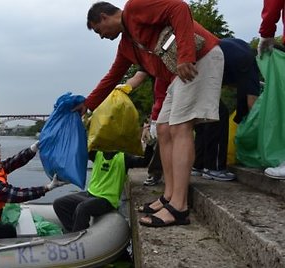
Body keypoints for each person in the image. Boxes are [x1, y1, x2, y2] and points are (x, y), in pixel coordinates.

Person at [75, 1, 224, 228]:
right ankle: (169, 196)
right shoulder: (127, 45)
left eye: (98, 30)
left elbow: (179, 8)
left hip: (199, 58)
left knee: (180, 127)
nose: (101, 36)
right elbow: (113, 77)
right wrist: (88, 104)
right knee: (163, 128)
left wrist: (185, 55)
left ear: (104, 17)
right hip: (178, 73)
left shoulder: (135, 8)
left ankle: (179, 208)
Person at [192, 38, 261, 181]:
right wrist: (258, 132)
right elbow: (252, 104)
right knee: (218, 114)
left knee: (203, 118)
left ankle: (198, 165)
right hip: (203, 65)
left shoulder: (237, 49)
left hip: (193, 65)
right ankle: (214, 168)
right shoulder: (250, 64)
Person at [53, 144, 154, 232]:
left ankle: (78, 236)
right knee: (59, 203)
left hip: (107, 200)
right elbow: (81, 147)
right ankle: (74, 231)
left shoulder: (124, 158)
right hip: (90, 194)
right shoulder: (96, 154)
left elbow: (144, 162)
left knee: (83, 208)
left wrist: (149, 145)